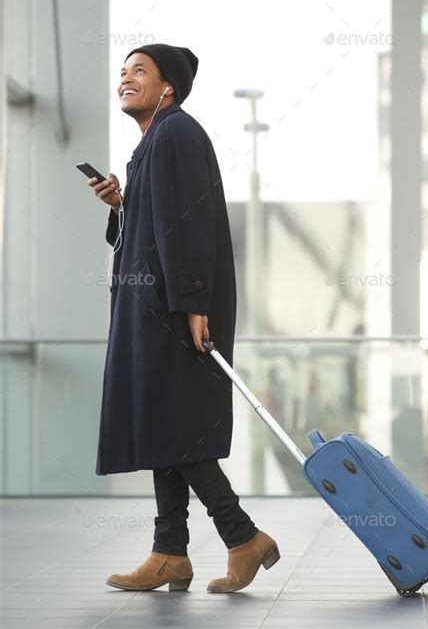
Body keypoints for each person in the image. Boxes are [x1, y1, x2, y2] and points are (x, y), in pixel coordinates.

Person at [87, 43, 280, 592]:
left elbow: (191, 224)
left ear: (167, 85)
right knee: (163, 423)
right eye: (122, 72)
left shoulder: (177, 134)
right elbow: (155, 223)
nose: (125, 79)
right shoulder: (153, 143)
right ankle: (170, 550)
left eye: (138, 71)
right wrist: (120, 205)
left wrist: (196, 302)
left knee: (175, 425)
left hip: (173, 309)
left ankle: (242, 538)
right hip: (154, 306)